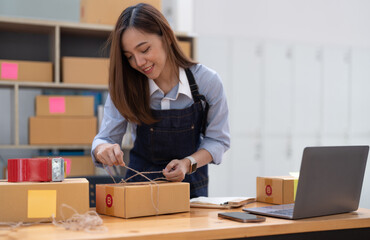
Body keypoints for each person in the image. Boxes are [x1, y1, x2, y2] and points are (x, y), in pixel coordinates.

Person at [92, 3, 230, 198]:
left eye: (145, 49)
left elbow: (218, 140)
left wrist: (187, 163)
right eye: (130, 57)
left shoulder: (206, 82)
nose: (139, 63)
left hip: (191, 192)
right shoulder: (126, 87)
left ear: (165, 36)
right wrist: (102, 149)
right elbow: (104, 139)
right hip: (139, 191)